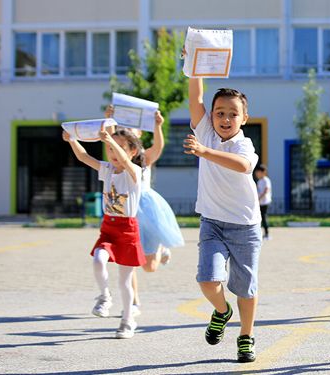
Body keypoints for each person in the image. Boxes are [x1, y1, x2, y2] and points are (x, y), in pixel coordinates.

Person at [182, 63, 262, 363]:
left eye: (232, 113)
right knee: (207, 280)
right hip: (212, 222)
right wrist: (194, 65)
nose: (225, 118)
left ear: (244, 118)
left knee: (246, 288)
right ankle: (221, 311)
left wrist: (203, 152)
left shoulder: (245, 145)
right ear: (211, 115)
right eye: (219, 113)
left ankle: (246, 337)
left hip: (245, 225)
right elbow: (195, 97)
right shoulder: (205, 132)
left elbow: (241, 166)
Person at [63, 123, 146, 339]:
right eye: (110, 148)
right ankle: (104, 296)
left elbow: (126, 162)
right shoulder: (107, 169)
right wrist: (72, 139)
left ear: (133, 151)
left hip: (128, 229)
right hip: (109, 227)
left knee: (125, 281)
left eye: (119, 147)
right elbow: (83, 157)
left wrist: (109, 139)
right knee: (98, 259)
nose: (113, 153)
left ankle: (128, 321)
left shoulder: (135, 172)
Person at [105, 105, 185, 317]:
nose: (127, 131)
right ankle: (133, 303)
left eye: (133, 129)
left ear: (138, 137)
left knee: (149, 267)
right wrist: (108, 119)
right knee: (126, 259)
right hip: (124, 212)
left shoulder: (143, 159)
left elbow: (158, 147)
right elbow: (108, 141)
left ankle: (160, 249)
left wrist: (158, 126)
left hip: (146, 210)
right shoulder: (113, 161)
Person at [254, 164, 272, 240]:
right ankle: (261, 233)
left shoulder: (266, 180)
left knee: (263, 218)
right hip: (260, 202)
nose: (256, 174)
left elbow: (266, 190)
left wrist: (259, 198)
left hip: (264, 202)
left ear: (263, 172)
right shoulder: (260, 181)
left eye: (258, 172)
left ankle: (267, 234)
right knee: (259, 218)